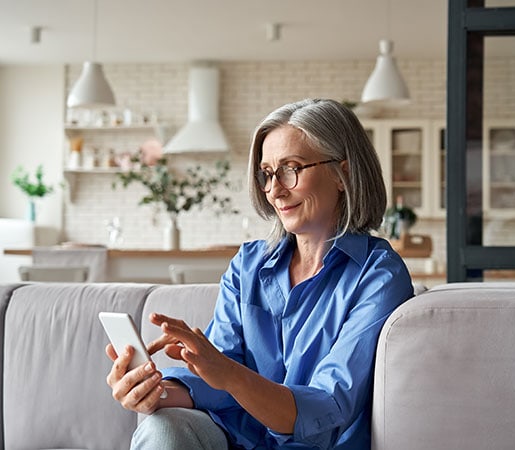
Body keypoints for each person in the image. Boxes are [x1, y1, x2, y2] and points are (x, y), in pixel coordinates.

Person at [105, 98, 413, 449]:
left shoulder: (377, 275)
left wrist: (227, 374)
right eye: (267, 173)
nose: (274, 190)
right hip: (237, 441)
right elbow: (219, 379)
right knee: (162, 427)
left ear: (342, 174)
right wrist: (154, 392)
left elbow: (328, 408)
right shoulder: (248, 265)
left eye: (291, 168)